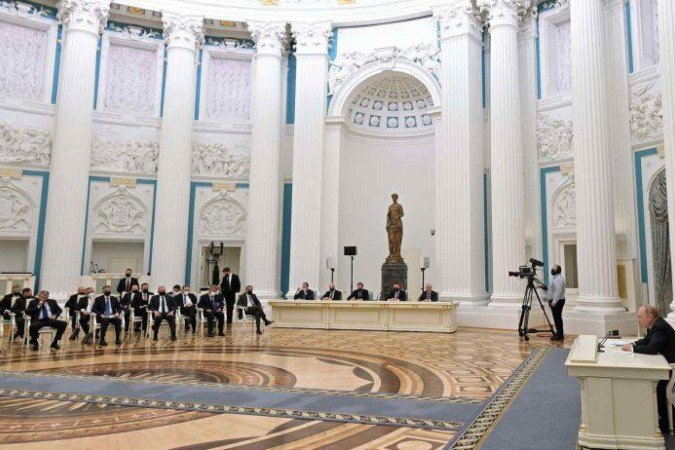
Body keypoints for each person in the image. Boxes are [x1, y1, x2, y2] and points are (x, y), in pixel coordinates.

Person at [621, 305, 675, 432]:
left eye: (640, 317)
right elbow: (647, 340)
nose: (639, 320)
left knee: (656, 387)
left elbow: (651, 349)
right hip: (666, 364)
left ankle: (664, 424)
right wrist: (633, 344)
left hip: (671, 368)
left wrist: (632, 349)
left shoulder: (659, 327)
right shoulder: (656, 325)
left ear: (650, 317)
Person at [547, 264, 566, 341]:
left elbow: (558, 290)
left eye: (554, 268)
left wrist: (555, 301)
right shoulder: (555, 278)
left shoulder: (558, 279)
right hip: (556, 300)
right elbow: (552, 289)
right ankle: (559, 333)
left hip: (558, 301)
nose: (552, 269)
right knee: (556, 318)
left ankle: (560, 335)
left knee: (557, 318)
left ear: (557, 270)